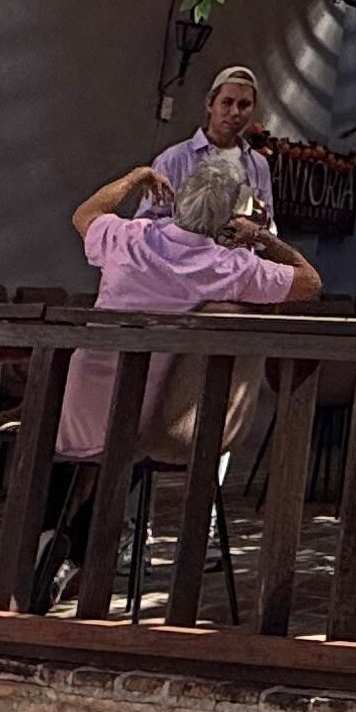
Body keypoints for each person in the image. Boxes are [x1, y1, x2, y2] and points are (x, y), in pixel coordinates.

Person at [57, 148, 318, 461]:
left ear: (181, 199)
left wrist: (137, 175)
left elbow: (84, 215)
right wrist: (263, 237)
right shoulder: (229, 267)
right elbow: (310, 282)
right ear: (227, 217)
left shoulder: (129, 238)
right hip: (147, 423)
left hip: (75, 414)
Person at [153, 64, 278, 227]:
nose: (235, 112)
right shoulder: (174, 159)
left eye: (244, 105)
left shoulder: (258, 166)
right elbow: (149, 223)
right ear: (210, 104)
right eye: (227, 102)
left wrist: (257, 225)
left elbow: (268, 228)